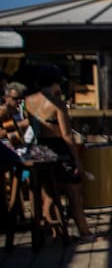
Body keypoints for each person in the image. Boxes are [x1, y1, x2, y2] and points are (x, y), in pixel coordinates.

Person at [22, 65, 95, 241]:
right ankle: (84, 231)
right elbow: (67, 136)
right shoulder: (58, 105)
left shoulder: (28, 101)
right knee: (74, 191)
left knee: (49, 193)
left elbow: (30, 125)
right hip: (58, 149)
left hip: (39, 149)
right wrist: (77, 160)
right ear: (55, 83)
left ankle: (55, 230)